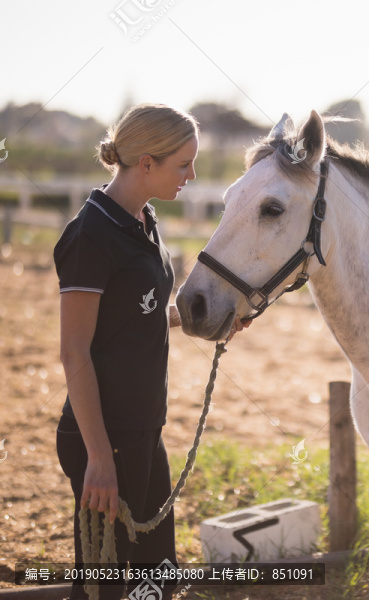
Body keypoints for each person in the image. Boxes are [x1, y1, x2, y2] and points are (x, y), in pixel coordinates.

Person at [54, 103, 248, 600]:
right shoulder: (90, 236)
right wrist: (99, 456)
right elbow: (74, 352)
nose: (191, 174)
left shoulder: (143, 221)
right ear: (146, 163)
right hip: (104, 437)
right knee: (106, 584)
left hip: (143, 432)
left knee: (155, 580)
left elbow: (139, 316)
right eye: (183, 163)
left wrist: (205, 321)